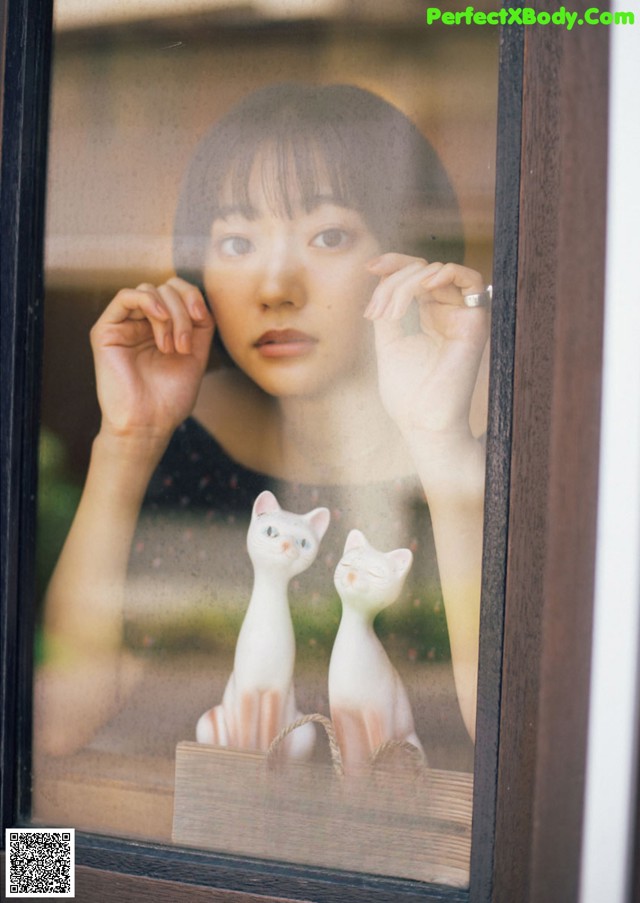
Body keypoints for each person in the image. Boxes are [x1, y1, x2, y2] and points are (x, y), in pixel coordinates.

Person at [37, 83, 489, 758]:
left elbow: (518, 748)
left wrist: (440, 442)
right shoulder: (187, 445)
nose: (275, 288)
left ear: (411, 259)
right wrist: (128, 440)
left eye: (329, 235)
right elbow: (57, 727)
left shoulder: (507, 442)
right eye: (236, 241)